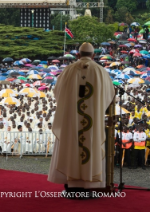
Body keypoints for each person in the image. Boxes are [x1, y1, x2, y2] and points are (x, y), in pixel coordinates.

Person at [48, 42, 115, 194]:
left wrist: (72, 107)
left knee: (72, 146)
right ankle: (90, 186)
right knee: (90, 144)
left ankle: (72, 185)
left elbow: (58, 93)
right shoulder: (100, 71)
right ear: (93, 55)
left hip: (72, 120)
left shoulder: (69, 70)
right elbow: (109, 95)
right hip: (92, 120)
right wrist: (95, 108)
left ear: (78, 55)